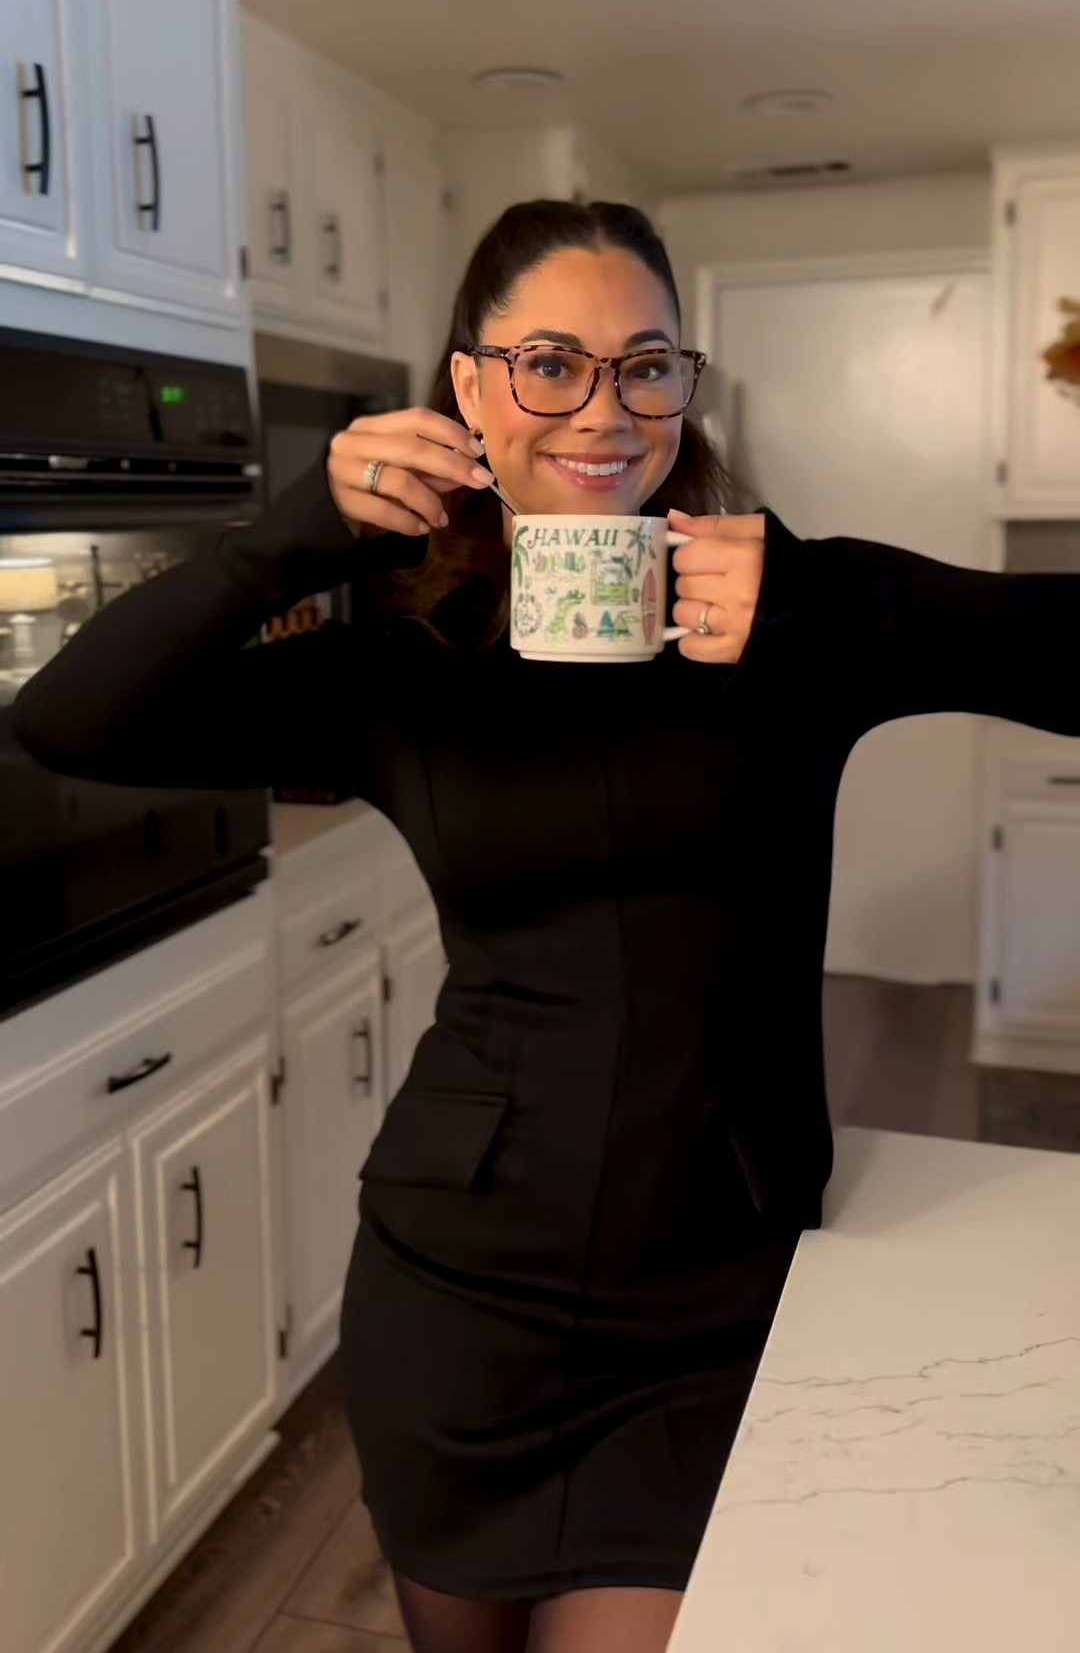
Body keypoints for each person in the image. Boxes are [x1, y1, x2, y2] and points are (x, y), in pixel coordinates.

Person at [13, 199, 1080, 1653]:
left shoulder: (788, 625)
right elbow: (65, 721)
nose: (606, 408)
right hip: (455, 1308)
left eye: (648, 364)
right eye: (550, 363)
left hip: (710, 1309)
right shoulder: (404, 656)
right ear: (469, 389)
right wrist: (287, 542)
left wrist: (845, 599)